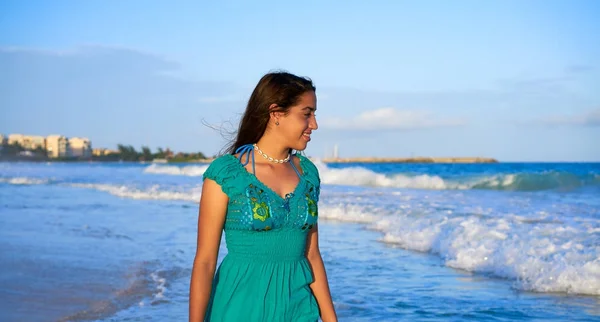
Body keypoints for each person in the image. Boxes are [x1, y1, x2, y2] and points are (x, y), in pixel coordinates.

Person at [189, 71, 337, 322]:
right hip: (239, 307)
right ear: (276, 113)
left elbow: (311, 254)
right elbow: (205, 260)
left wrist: (331, 319)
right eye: (307, 113)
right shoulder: (227, 173)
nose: (314, 124)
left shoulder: (308, 174)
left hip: (298, 308)